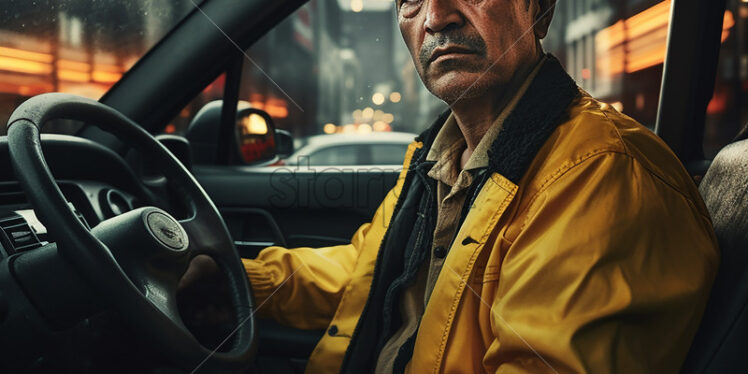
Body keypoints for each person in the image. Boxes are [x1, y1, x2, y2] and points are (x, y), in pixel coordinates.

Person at [226, 0, 720, 372]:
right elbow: (364, 274)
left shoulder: (599, 173)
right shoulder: (437, 157)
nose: (436, 17)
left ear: (540, 11)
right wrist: (235, 280)